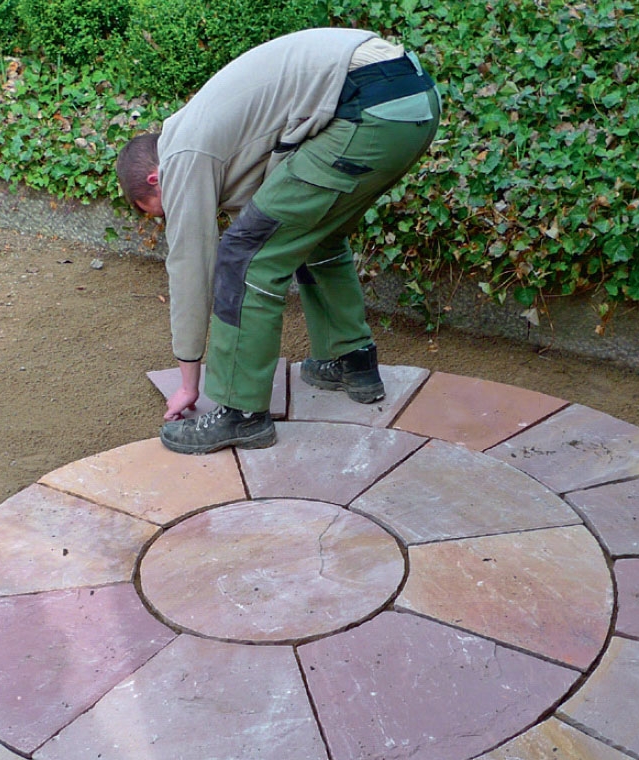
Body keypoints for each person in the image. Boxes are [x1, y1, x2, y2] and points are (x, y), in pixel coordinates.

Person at [117, 27, 440, 454]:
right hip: (414, 100)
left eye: (161, 210)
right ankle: (350, 361)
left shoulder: (183, 155)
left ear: (155, 179)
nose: (171, 217)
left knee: (244, 255)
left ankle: (240, 412)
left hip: (364, 108)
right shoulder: (213, 130)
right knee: (312, 234)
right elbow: (269, 208)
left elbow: (191, 267)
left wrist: (188, 381)